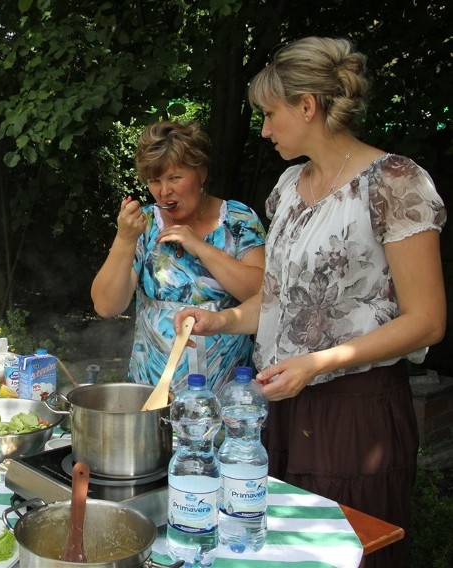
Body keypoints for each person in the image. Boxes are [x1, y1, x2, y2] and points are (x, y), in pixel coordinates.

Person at [175, 37, 446, 567]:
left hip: (356, 415)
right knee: (272, 551)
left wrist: (318, 363)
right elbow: (277, 299)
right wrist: (221, 319)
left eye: (271, 115)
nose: (265, 129)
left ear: (307, 105)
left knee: (347, 554)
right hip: (278, 407)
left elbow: (428, 321)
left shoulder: (394, 181)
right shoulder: (289, 186)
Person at [91, 120, 266, 395]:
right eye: (154, 181)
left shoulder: (238, 219)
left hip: (229, 393)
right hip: (151, 389)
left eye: (174, 178)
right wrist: (125, 238)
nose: (163, 191)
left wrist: (201, 247)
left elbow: (263, 293)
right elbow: (106, 306)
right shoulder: (144, 224)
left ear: (202, 173)